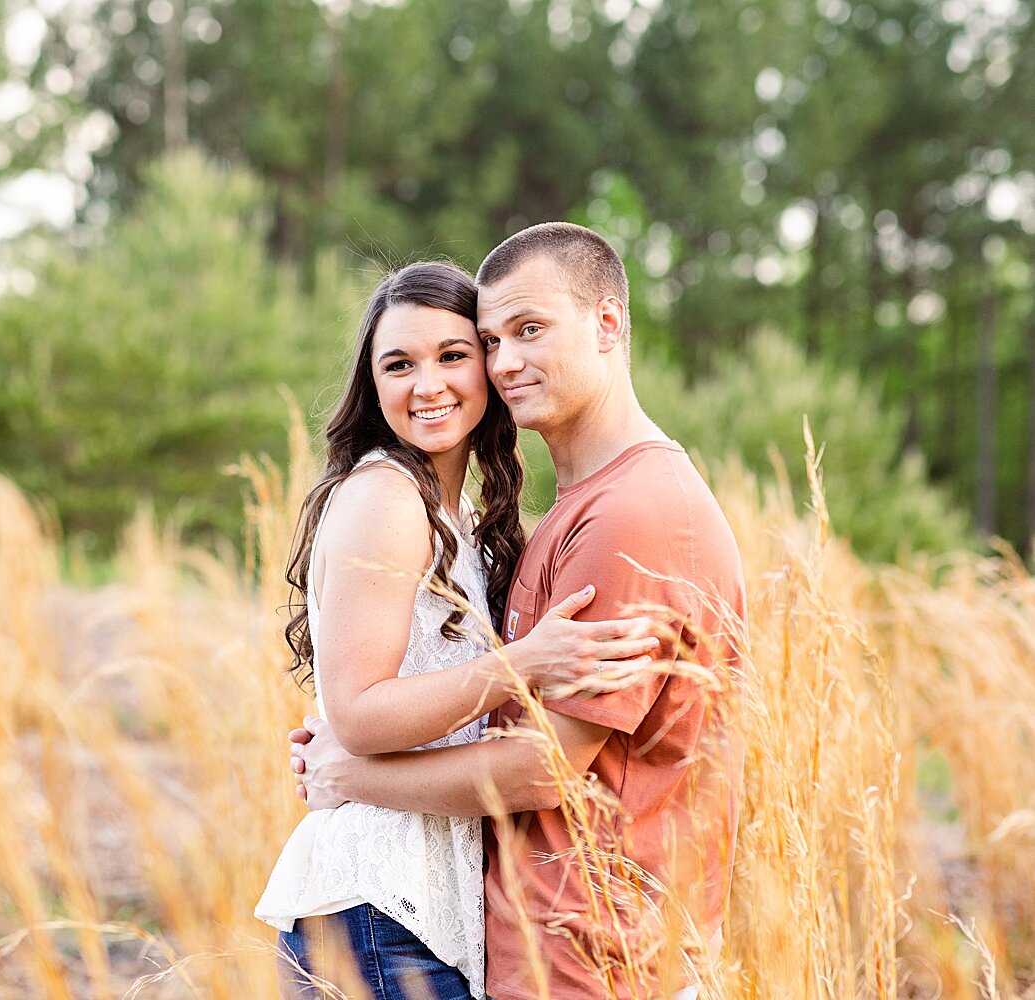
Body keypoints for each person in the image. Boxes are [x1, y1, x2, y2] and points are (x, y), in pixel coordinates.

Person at [291, 224, 748, 1000]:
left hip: (585, 948)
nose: (503, 362)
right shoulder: (399, 499)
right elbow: (368, 705)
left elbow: (545, 766)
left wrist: (355, 771)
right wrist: (355, 757)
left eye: (523, 333)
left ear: (608, 324)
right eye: (492, 338)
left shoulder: (623, 513)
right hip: (404, 910)